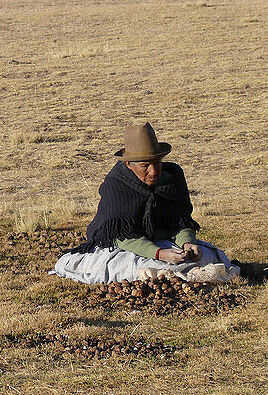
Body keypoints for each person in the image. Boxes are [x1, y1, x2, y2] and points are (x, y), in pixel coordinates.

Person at [53, 122, 239, 284]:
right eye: (145, 166)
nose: (154, 171)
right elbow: (122, 237)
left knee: (209, 257)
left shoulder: (172, 179)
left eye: (157, 163)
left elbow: (181, 222)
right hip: (126, 248)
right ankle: (172, 275)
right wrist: (159, 253)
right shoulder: (116, 186)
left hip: (165, 244)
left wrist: (187, 244)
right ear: (129, 165)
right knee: (122, 268)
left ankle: (173, 274)